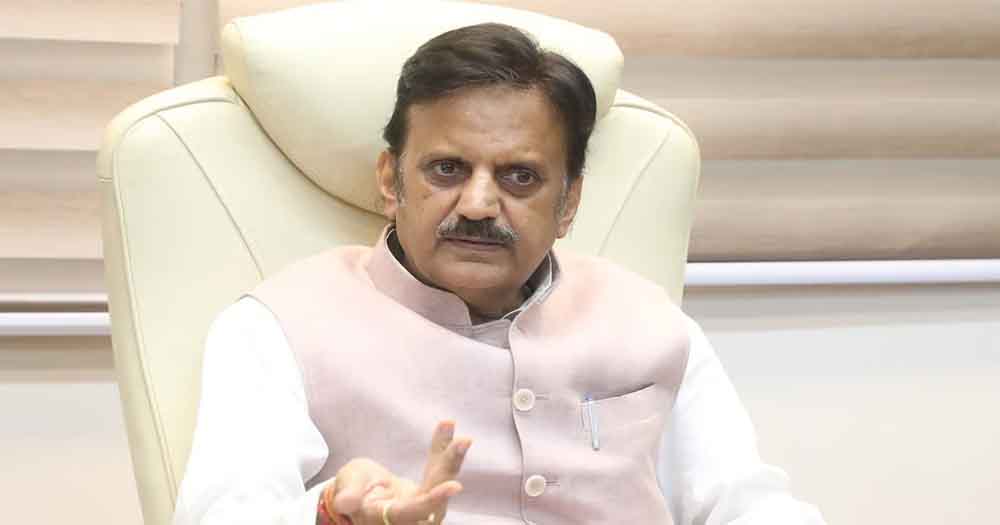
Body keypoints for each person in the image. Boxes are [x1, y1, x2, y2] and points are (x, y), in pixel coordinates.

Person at [173, 23, 825, 525]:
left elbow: (745, 500)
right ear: (390, 181)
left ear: (568, 203)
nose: (480, 205)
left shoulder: (650, 321)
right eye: (447, 169)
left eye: (520, 176)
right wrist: (329, 513)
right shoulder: (278, 326)